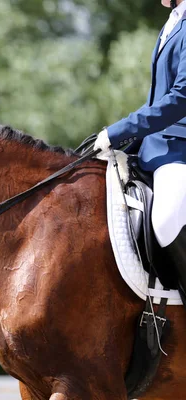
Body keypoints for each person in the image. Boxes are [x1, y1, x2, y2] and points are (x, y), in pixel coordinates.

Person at [94, 0, 186, 294]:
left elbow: (180, 98)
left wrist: (119, 131)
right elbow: (157, 100)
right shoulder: (173, 21)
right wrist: (120, 139)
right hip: (156, 145)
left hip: (180, 148)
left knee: (166, 218)